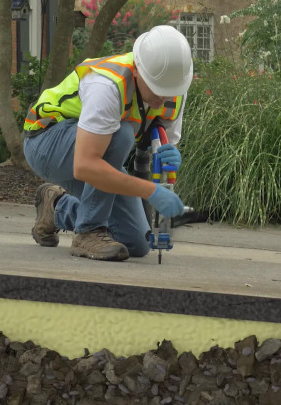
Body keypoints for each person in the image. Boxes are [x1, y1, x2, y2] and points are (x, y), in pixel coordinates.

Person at [22, 25, 192, 262]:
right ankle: (88, 231)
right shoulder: (107, 84)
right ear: (137, 69)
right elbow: (85, 166)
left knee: (136, 242)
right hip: (47, 143)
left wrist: (169, 154)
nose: (163, 96)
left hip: (98, 152)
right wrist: (150, 191)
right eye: (156, 87)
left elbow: (162, 142)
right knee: (121, 134)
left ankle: (57, 207)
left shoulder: (174, 87)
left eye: (169, 89)